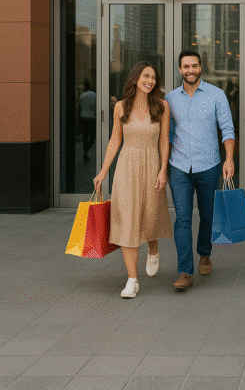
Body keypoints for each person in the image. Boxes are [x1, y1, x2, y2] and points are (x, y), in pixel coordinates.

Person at [93, 62, 173, 299]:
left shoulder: (162, 106)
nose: (150, 81)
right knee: (128, 220)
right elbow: (114, 141)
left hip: (151, 165)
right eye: (146, 76)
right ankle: (132, 280)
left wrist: (163, 170)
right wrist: (103, 171)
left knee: (150, 214)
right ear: (135, 78)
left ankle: (153, 249)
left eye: (153, 78)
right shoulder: (121, 107)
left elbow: (164, 141)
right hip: (126, 167)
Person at [167, 49, 235, 291]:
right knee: (183, 219)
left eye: (194, 66)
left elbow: (227, 129)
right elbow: (167, 135)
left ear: (200, 68)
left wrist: (229, 160)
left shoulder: (216, 95)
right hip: (179, 166)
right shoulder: (170, 99)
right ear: (179, 70)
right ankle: (185, 272)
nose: (191, 70)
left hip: (209, 165)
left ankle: (204, 253)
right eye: (186, 66)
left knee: (207, 215)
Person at [78, 79, 97, 164]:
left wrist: (79, 118)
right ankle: (87, 149)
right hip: (92, 118)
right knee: (93, 136)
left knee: (85, 137)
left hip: (83, 118)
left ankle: (85, 152)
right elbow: (96, 107)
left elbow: (80, 107)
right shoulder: (94, 95)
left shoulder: (82, 95)